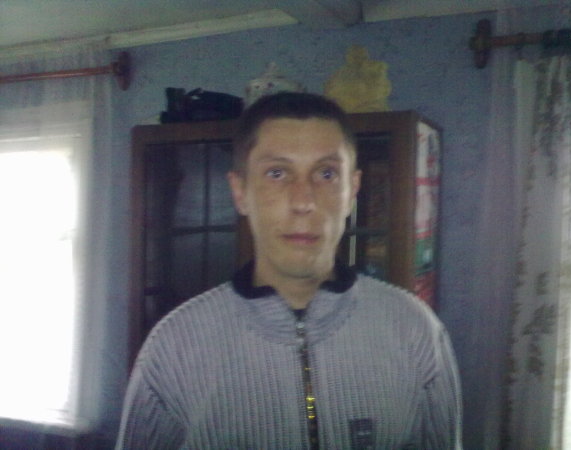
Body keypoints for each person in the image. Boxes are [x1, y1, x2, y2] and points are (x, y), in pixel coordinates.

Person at [116, 92, 462, 449]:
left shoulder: (415, 331)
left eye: (326, 174)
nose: (303, 201)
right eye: (277, 173)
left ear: (352, 190)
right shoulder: (174, 346)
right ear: (240, 192)